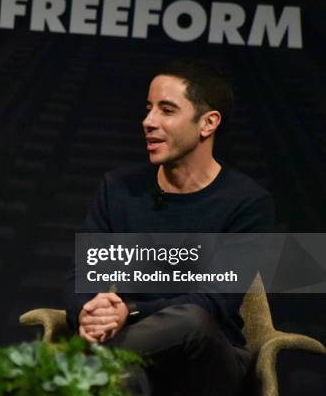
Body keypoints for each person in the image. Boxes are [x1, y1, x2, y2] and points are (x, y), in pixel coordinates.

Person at [64, 60, 274, 396]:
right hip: (131, 352)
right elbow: (84, 274)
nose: (148, 122)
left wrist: (129, 312)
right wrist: (89, 313)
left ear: (208, 123)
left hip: (207, 362)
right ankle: (99, 359)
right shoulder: (118, 188)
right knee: (125, 373)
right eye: (149, 109)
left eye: (167, 110)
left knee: (191, 319)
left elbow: (215, 301)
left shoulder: (247, 202)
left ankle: (74, 364)